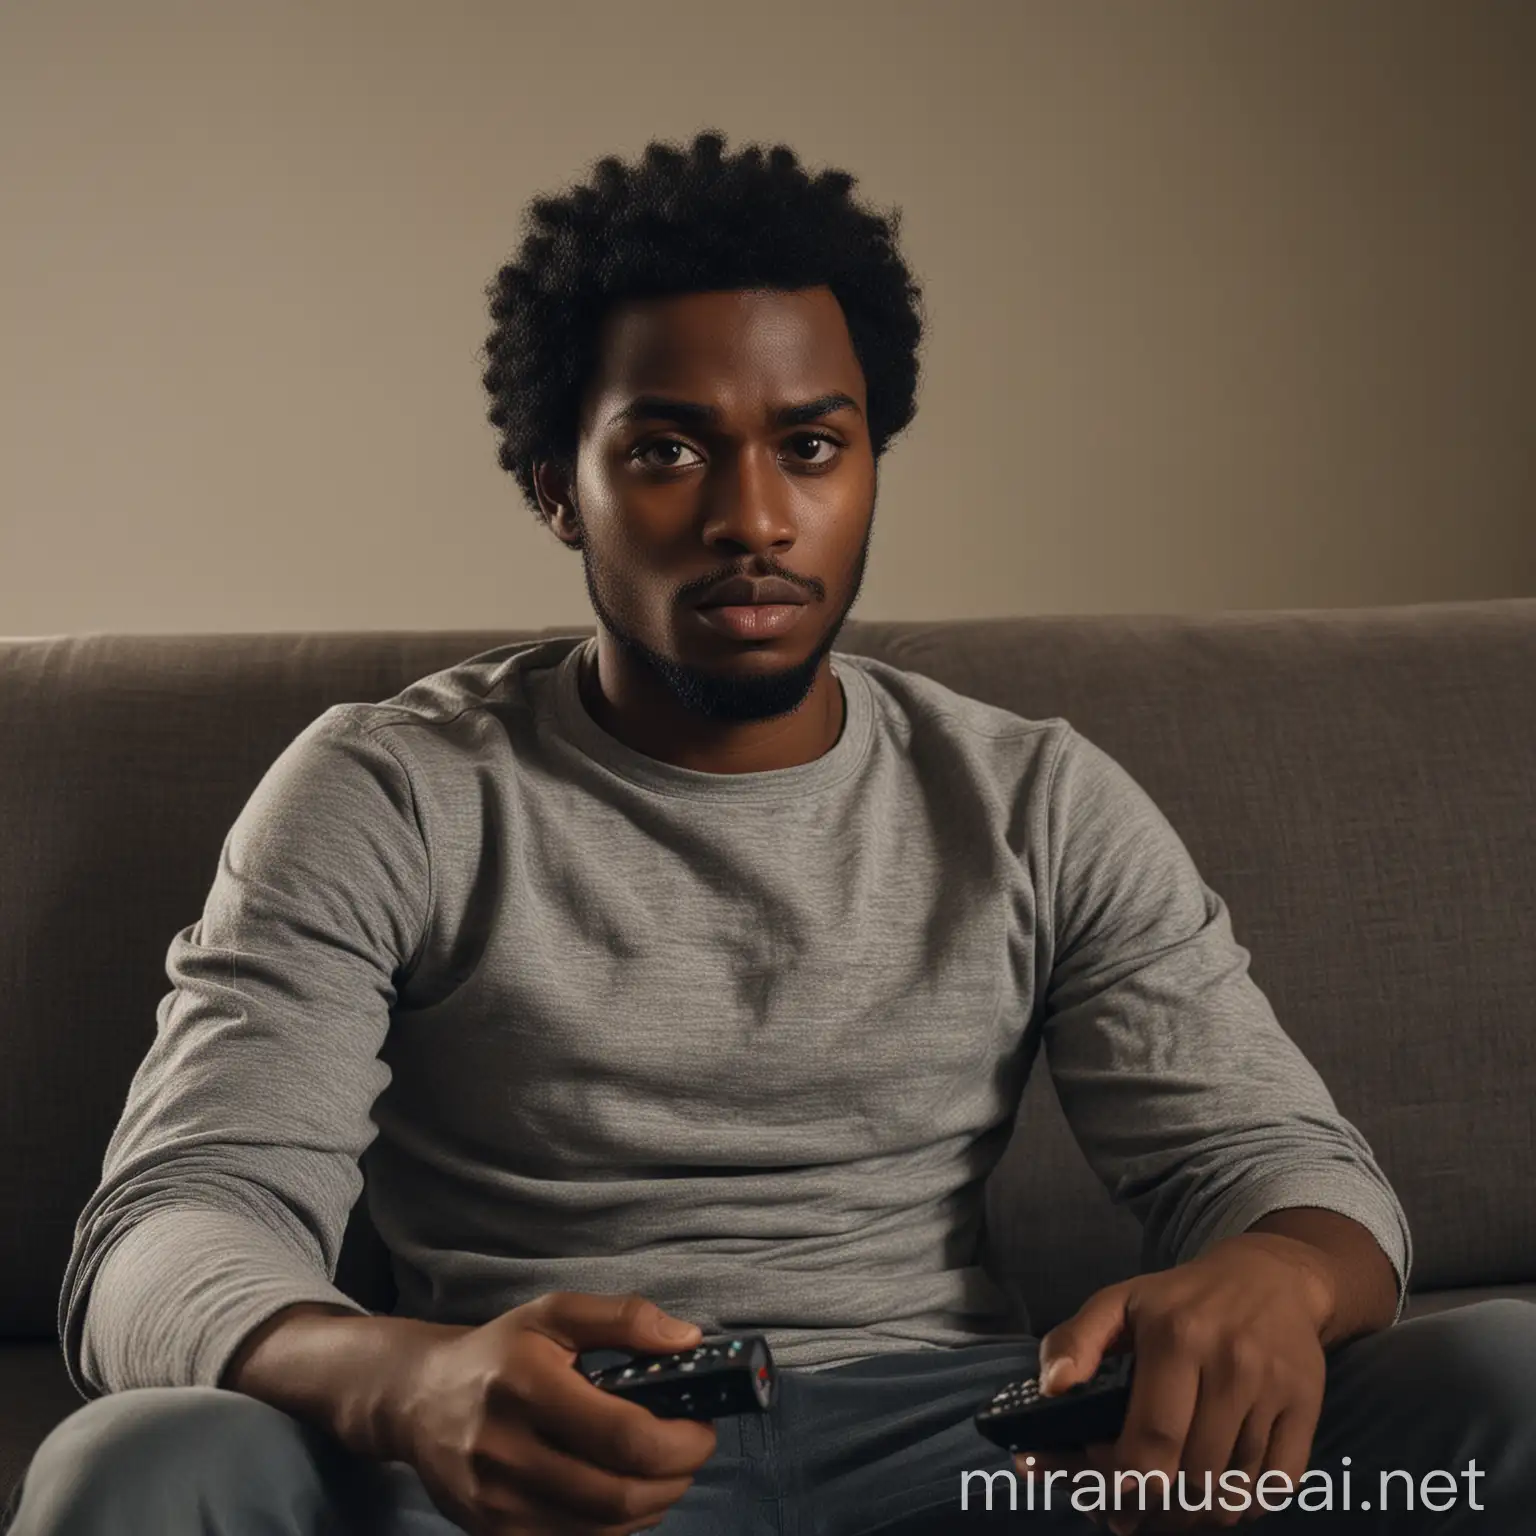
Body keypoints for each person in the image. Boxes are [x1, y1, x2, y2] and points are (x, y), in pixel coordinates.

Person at [8, 130, 1534, 1536]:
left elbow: (1294, 1172)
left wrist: (1268, 1272)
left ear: (869, 465)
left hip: (980, 1454)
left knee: (1509, 1385)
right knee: (136, 1468)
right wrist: (405, 1380)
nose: (755, 513)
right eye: (668, 451)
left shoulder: (1034, 798)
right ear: (559, 490)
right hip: (535, 1470)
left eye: (811, 445)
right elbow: (163, 1232)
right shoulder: (389, 789)